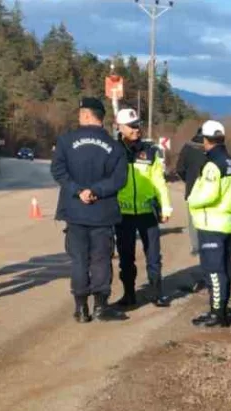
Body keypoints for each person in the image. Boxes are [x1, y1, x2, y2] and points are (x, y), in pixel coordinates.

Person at [51, 97, 128, 323]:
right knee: (101, 259)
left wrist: (79, 191)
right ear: (101, 118)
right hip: (102, 213)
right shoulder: (115, 147)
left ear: (86, 115)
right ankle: (101, 307)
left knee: (79, 260)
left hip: (75, 211)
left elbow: (58, 171)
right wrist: (96, 191)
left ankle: (81, 308)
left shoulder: (66, 141)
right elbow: (119, 179)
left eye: (80, 113)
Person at [114, 108, 173, 308]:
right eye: (131, 126)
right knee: (126, 257)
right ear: (120, 127)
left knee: (154, 256)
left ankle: (157, 293)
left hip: (148, 213)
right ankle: (129, 295)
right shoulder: (114, 151)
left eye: (137, 124)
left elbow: (159, 181)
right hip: (123, 214)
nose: (136, 129)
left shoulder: (150, 151)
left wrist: (166, 207)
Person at [187, 119, 231, 328]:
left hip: (212, 224)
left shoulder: (213, 164)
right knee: (223, 269)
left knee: (214, 271)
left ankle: (217, 314)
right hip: (225, 222)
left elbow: (208, 194)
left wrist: (192, 199)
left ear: (207, 140)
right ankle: (220, 311)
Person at [175, 127, 207, 256]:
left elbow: (180, 168)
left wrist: (188, 179)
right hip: (211, 190)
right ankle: (208, 245)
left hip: (192, 189)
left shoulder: (187, 147)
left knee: (193, 220)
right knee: (208, 219)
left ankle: (196, 247)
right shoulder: (213, 148)